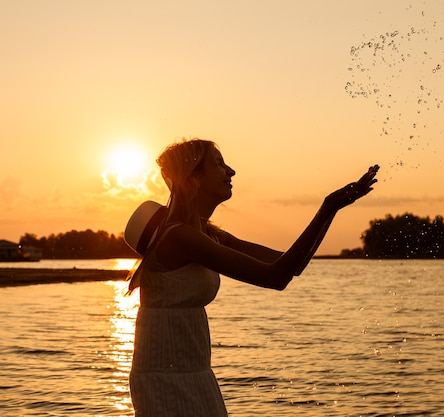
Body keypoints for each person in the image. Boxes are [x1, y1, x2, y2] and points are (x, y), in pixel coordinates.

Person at [124, 138, 378, 416]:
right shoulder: (179, 237)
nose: (230, 171)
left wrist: (333, 210)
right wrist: (326, 208)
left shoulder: (210, 235)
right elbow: (276, 278)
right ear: (193, 176)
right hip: (167, 378)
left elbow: (291, 264)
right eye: (219, 164)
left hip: (194, 374)